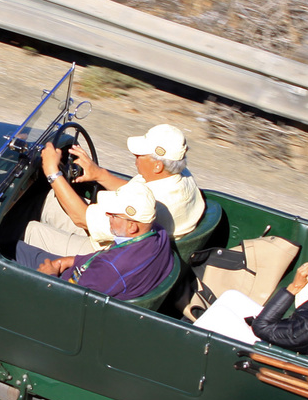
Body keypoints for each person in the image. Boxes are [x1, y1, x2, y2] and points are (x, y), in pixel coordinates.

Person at [24, 123, 205, 258]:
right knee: (49, 199)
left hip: (111, 253)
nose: (135, 156)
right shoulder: (180, 177)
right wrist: (99, 174)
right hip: (131, 243)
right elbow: (138, 192)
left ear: (157, 165)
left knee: (31, 230)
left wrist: (52, 172)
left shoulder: (150, 211)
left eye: (141, 154)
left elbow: (82, 218)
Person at [13, 179, 177, 301]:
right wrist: (66, 261)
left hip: (60, 288)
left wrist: (49, 277)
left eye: (113, 214)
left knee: (13, 250)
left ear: (132, 227)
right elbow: (101, 260)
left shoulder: (112, 269)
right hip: (76, 272)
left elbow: (66, 300)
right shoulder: (158, 234)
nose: (107, 215)